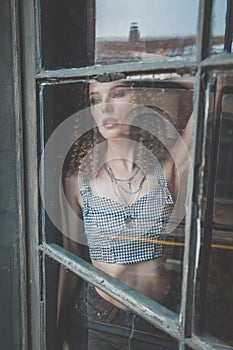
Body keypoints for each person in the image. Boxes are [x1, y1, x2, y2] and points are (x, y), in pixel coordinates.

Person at [57, 77, 193, 350]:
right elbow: (68, 262)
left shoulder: (164, 172)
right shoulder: (78, 182)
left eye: (117, 94)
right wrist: (56, 328)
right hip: (99, 319)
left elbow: (207, 99)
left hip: (160, 320)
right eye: (96, 99)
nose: (105, 108)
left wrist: (154, 74)